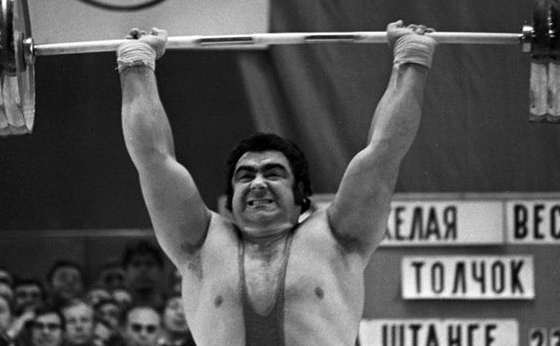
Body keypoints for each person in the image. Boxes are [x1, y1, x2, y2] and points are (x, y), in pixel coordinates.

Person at [117, 21, 436, 345]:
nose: (257, 184)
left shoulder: (338, 238)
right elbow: (154, 159)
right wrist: (136, 64)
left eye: (272, 173)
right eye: (245, 176)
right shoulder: (200, 244)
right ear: (230, 200)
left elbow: (384, 151)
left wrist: (411, 58)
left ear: (301, 195)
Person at [120, 241, 167, 311]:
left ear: (161, 271)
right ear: (125, 272)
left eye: (149, 264)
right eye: (136, 264)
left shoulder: (178, 309)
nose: (143, 270)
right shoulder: (117, 312)